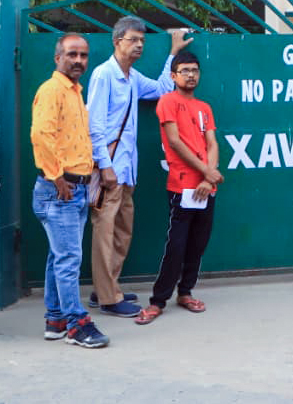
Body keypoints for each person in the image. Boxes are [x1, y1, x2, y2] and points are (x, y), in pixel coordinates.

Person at [87, 18, 187, 318]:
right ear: (117, 41)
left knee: (122, 232)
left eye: (142, 40)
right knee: (105, 232)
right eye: (133, 40)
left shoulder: (131, 77)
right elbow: (94, 124)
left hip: (127, 169)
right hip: (110, 170)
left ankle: (107, 287)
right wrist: (104, 166)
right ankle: (108, 297)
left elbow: (160, 89)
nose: (139, 45)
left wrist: (173, 53)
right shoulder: (104, 75)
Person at [30, 33, 110, 348]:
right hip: (58, 191)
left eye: (83, 56)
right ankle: (77, 324)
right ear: (58, 58)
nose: (79, 61)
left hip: (74, 189)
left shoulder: (75, 91)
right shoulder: (52, 90)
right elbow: (41, 135)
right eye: (72, 54)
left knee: (58, 257)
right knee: (68, 259)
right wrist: (57, 177)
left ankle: (56, 320)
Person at [135, 50, 222, 326]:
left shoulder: (205, 108)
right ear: (173, 76)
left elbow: (212, 144)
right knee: (177, 245)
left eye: (195, 70)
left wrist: (208, 179)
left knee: (198, 244)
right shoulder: (168, 102)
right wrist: (206, 170)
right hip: (182, 186)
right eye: (185, 71)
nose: (191, 75)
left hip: (207, 189)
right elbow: (174, 142)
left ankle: (185, 293)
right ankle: (158, 301)